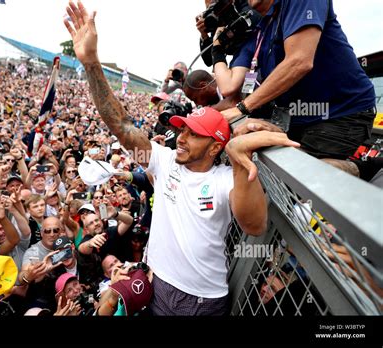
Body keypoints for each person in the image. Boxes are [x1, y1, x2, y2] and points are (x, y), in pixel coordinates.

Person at [63, 0, 299, 315]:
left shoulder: (225, 179)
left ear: (216, 147)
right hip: (158, 287)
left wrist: (242, 157)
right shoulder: (165, 160)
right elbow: (120, 124)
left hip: (201, 302)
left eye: (194, 133)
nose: (182, 138)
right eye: (182, 130)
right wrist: (92, 62)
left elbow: (255, 226)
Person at [216, 0, 376, 161]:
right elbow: (228, 86)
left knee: (302, 177)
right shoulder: (262, 28)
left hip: (340, 112)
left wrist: (242, 108)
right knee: (271, 168)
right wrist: (216, 48)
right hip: (301, 115)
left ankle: (365, 167)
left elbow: (299, 61)